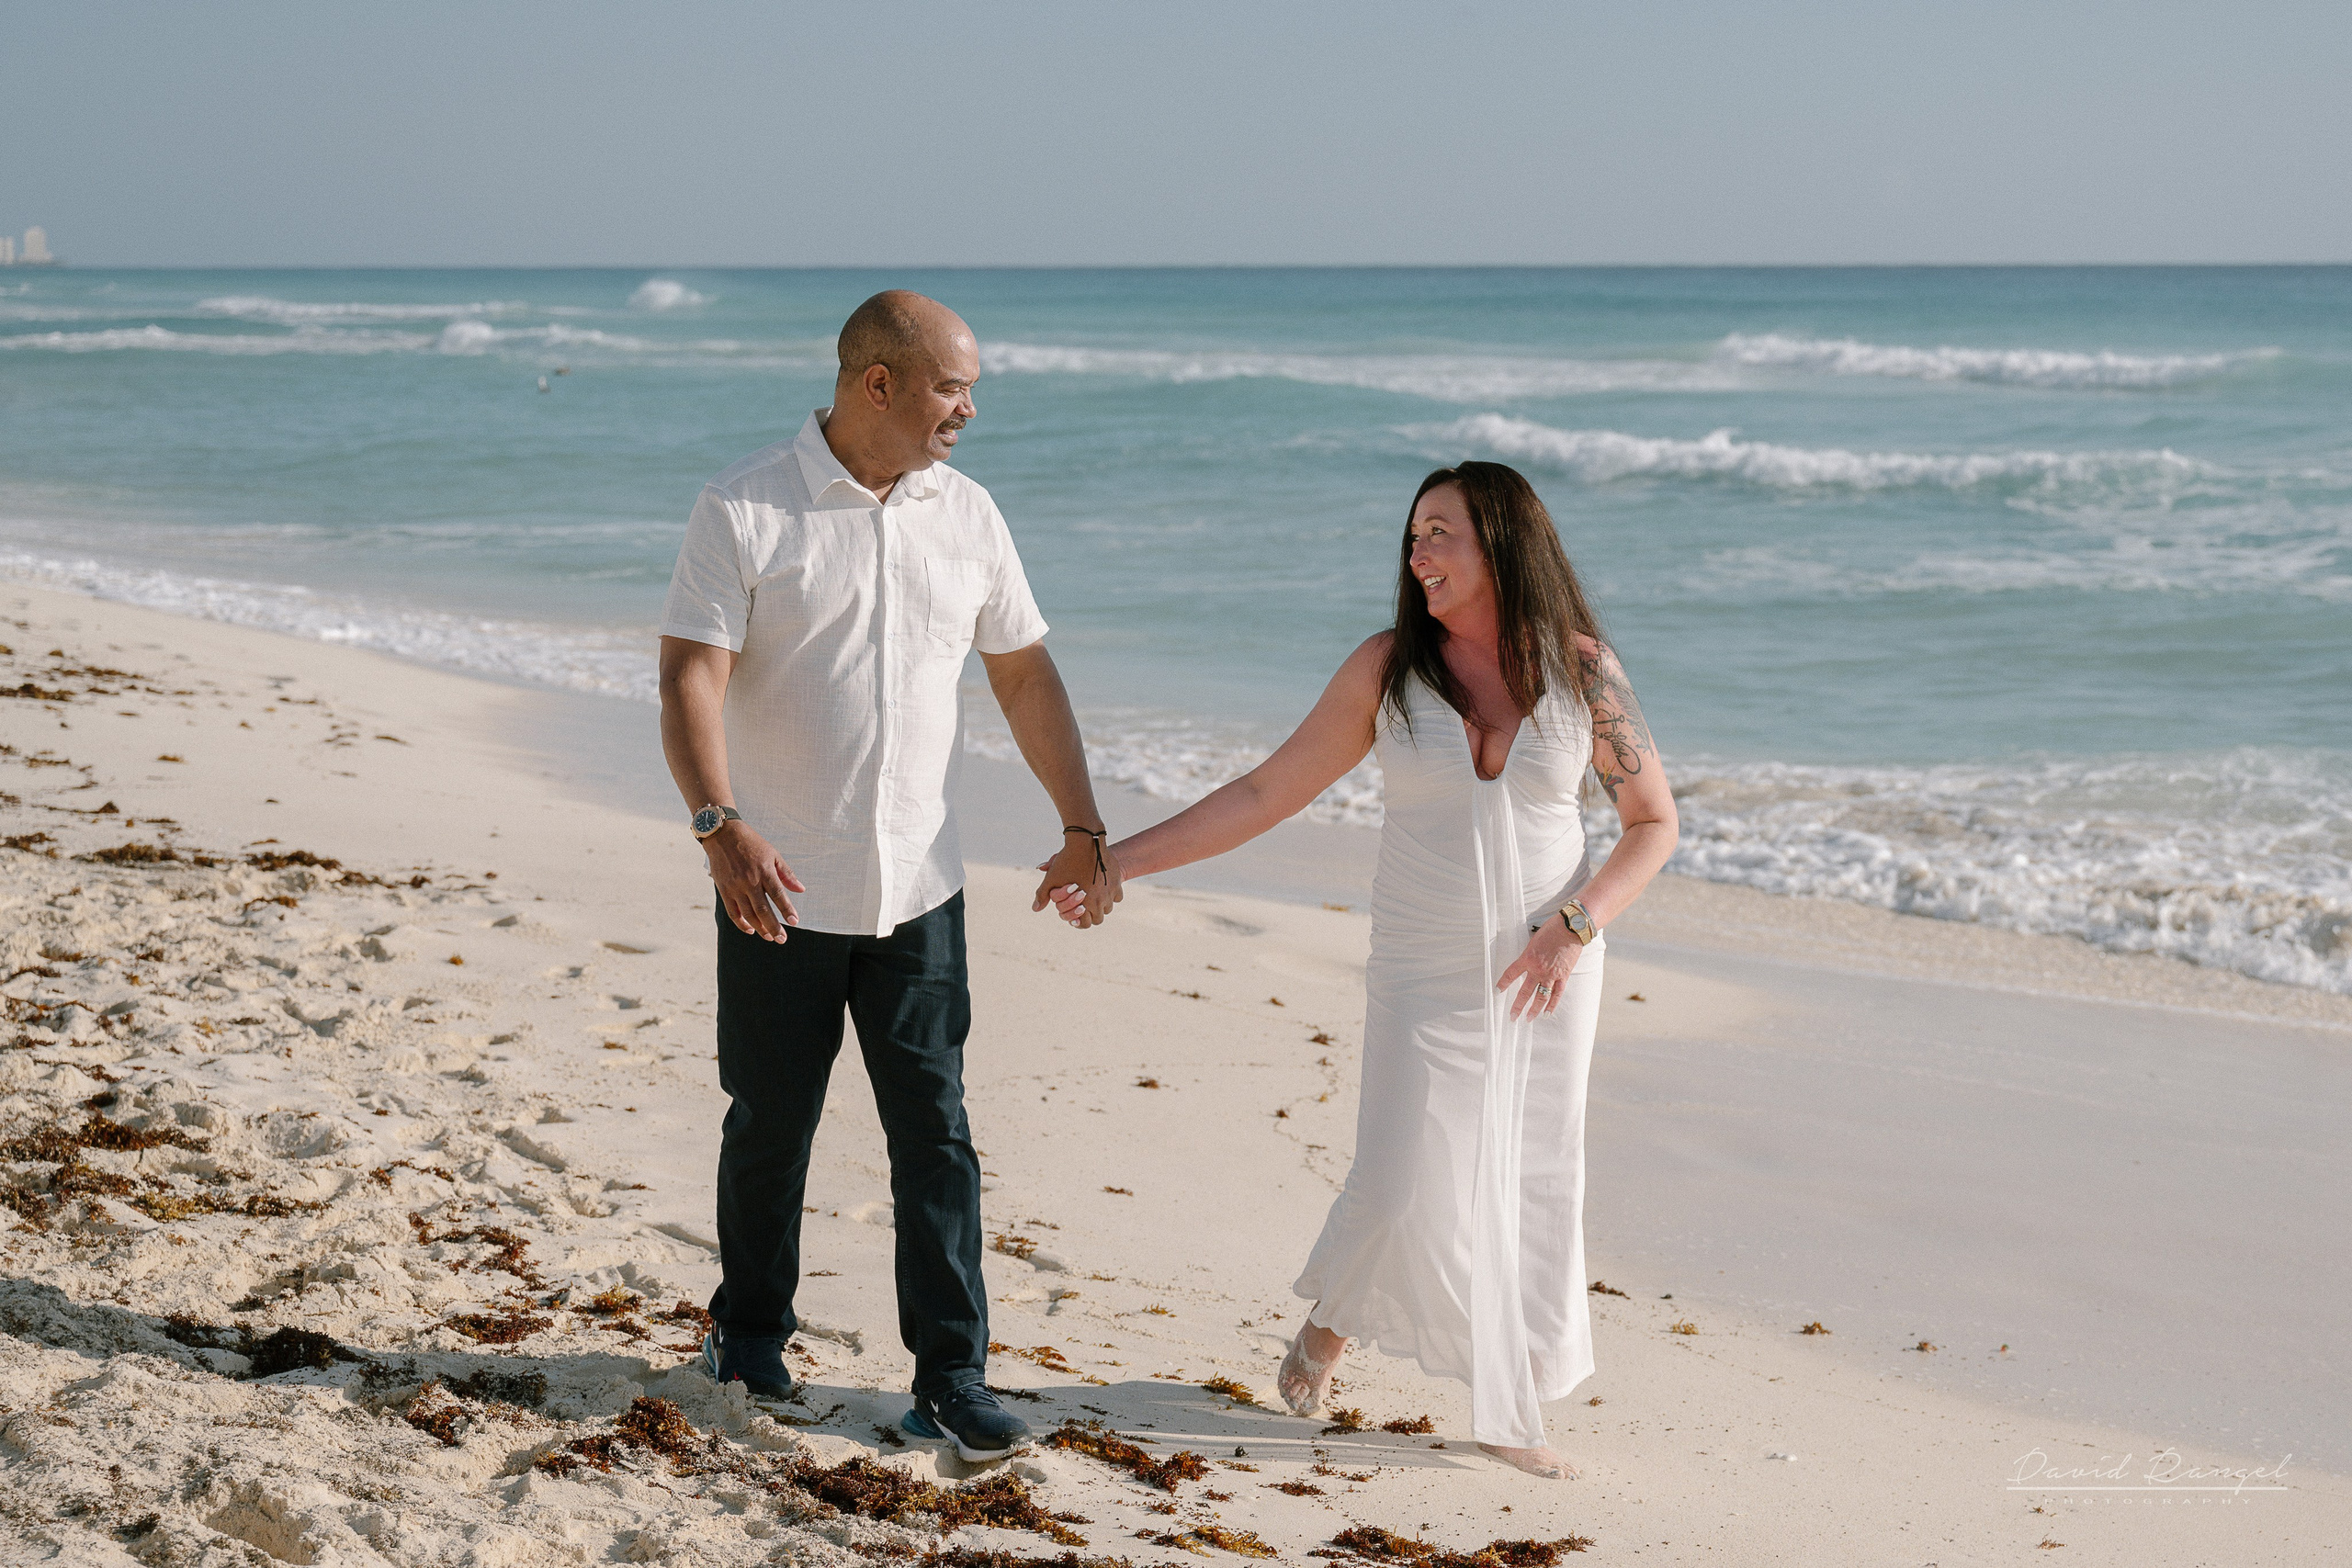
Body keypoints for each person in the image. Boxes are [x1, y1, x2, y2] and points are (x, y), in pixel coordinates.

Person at [1055, 461, 1676, 1479]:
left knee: (1529, 1175)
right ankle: (1332, 1323)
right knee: (1396, 1181)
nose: (1418, 553)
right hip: (1422, 966)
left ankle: (1507, 1404)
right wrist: (1118, 860)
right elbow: (1263, 793)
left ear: (1504, 545)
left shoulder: (1582, 670)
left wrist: (1576, 922)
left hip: (1545, 967)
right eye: (1414, 534)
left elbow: (1652, 824)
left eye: (1442, 534)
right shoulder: (1388, 668)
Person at [658, 289, 1123, 1462]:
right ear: (877, 383)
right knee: (771, 1122)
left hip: (920, 887)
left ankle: (952, 1380)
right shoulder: (746, 504)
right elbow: (689, 679)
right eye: (952, 387)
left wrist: (1082, 823)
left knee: (938, 1136)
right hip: (778, 882)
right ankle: (751, 1332)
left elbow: (1023, 676)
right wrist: (719, 826)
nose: (968, 409)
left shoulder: (967, 515)